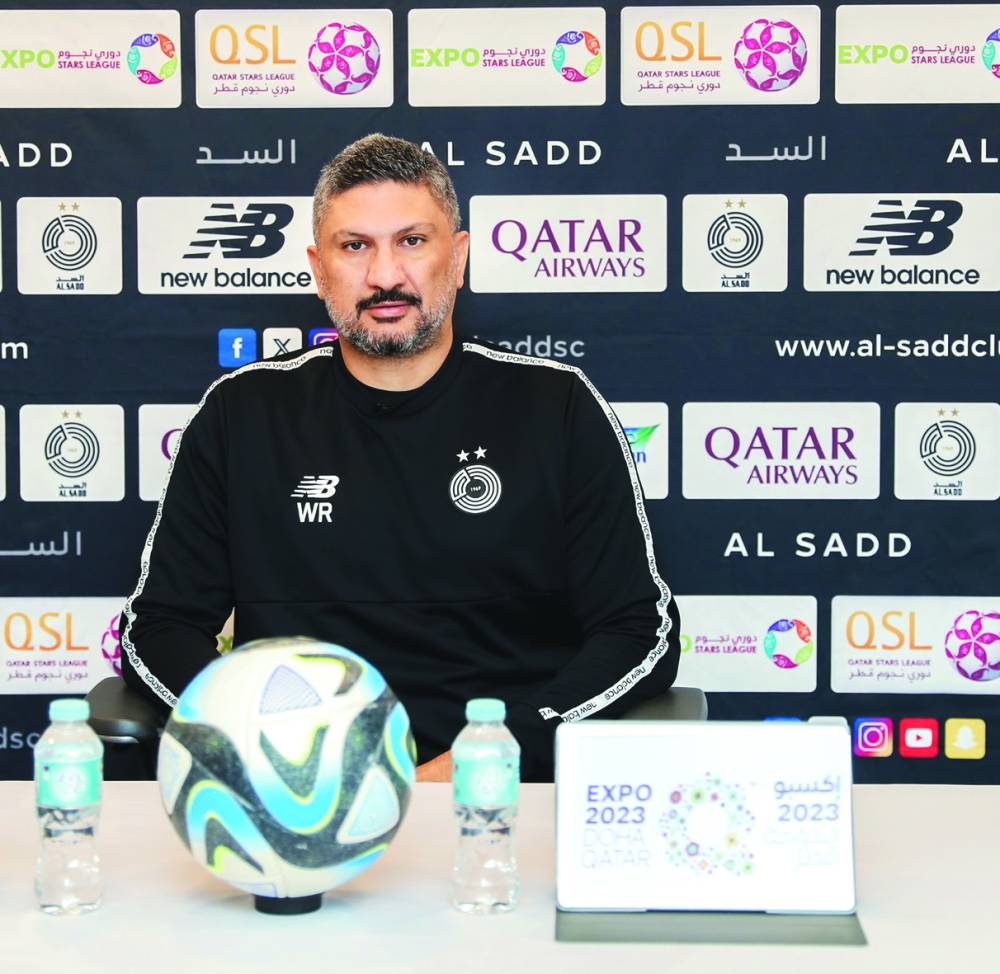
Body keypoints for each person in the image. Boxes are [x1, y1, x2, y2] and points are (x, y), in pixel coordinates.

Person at [121, 133, 680, 782]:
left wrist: (483, 757)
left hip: (496, 794)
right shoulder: (242, 414)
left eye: (412, 241)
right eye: (355, 246)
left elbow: (640, 631)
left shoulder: (557, 407)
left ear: (460, 256)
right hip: (297, 800)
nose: (385, 275)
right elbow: (158, 627)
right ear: (317, 267)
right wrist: (260, 742)